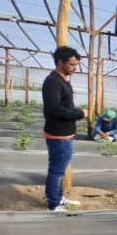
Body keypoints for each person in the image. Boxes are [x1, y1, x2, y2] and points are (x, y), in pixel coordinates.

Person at [42, 46, 87, 212]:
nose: (75, 68)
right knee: (56, 171)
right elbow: (54, 109)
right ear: (60, 62)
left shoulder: (62, 80)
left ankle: (59, 198)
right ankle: (53, 205)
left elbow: (61, 106)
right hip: (58, 135)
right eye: (72, 64)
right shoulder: (53, 82)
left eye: (76, 65)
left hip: (64, 133)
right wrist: (79, 113)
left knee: (59, 170)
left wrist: (76, 114)